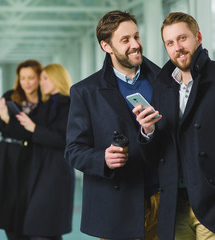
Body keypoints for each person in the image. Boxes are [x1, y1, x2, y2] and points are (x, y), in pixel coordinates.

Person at [133, 12, 215, 240]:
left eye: (183, 38)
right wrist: (147, 131)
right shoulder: (163, 87)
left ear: (199, 37)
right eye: (170, 43)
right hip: (175, 204)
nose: (177, 47)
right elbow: (157, 154)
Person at [65, 10, 161, 240]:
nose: (135, 44)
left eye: (136, 37)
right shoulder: (85, 91)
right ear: (106, 46)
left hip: (161, 200)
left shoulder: (165, 80)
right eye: (125, 40)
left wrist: (151, 133)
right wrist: (103, 159)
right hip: (117, 205)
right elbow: (73, 150)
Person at [0, 59, 42, 240]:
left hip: (31, 157)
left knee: (27, 205)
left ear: (39, 78)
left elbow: (32, 135)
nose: (27, 82)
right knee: (7, 204)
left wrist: (8, 121)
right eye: (23, 78)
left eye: (31, 77)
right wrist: (1, 116)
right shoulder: (10, 96)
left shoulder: (44, 102)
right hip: (6, 157)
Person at [16, 63, 74, 240]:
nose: (41, 83)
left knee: (43, 227)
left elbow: (64, 139)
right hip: (41, 169)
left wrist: (34, 128)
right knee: (47, 228)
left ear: (57, 79)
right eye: (41, 78)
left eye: (45, 78)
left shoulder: (70, 104)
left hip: (56, 171)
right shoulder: (46, 104)